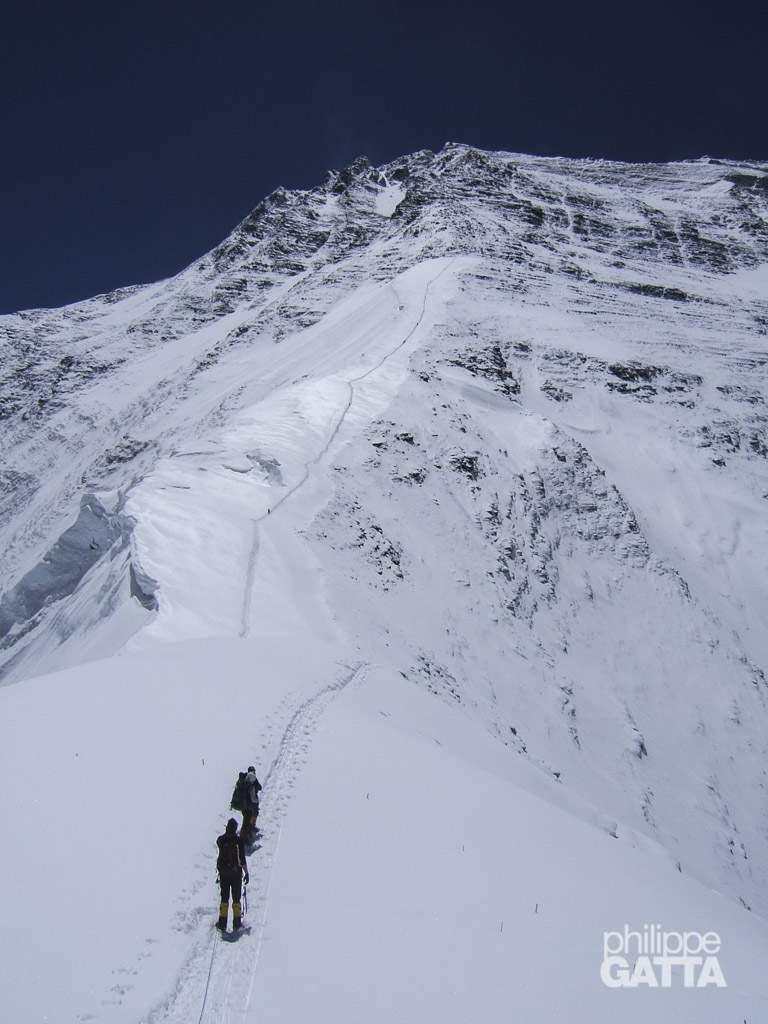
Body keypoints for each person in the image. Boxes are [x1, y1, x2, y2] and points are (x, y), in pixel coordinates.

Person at [216, 818, 249, 932]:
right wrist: (246, 872)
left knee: (224, 897)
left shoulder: (220, 840)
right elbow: (242, 859)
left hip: (223, 872)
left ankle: (222, 923)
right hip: (235, 873)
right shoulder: (238, 841)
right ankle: (236, 923)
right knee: (236, 897)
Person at [242, 766, 262, 838]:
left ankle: (247, 831)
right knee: (254, 814)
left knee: (246, 818)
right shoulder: (253, 779)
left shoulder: (244, 780)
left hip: (244, 803)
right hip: (252, 803)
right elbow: (259, 787)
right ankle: (250, 829)